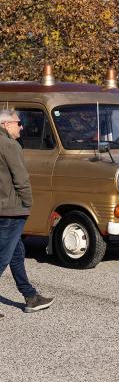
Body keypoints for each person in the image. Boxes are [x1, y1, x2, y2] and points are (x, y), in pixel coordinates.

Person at [0, 109, 54, 317]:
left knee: (16, 254)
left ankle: (30, 296)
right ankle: (31, 296)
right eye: (18, 123)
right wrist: (28, 203)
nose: (21, 127)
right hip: (11, 210)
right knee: (3, 257)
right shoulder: (10, 145)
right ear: (6, 124)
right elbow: (21, 179)